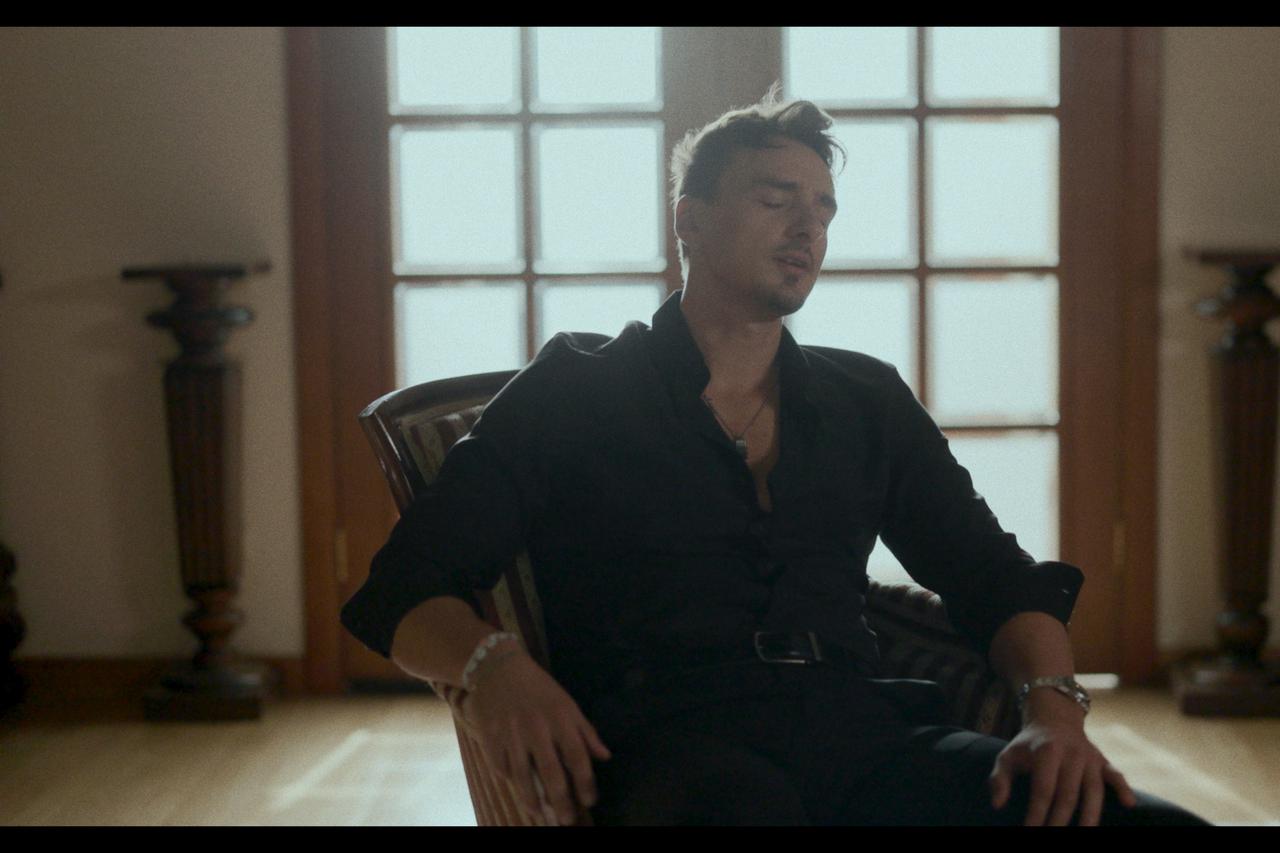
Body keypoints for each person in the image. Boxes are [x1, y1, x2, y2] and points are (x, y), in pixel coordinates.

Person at [340, 89, 1209, 826]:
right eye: (775, 199)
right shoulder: (578, 387)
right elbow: (403, 588)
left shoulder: (866, 398)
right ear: (689, 220)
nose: (807, 228)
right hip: (672, 751)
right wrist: (494, 668)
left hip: (870, 738)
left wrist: (1055, 710)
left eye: (823, 209)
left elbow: (997, 579)